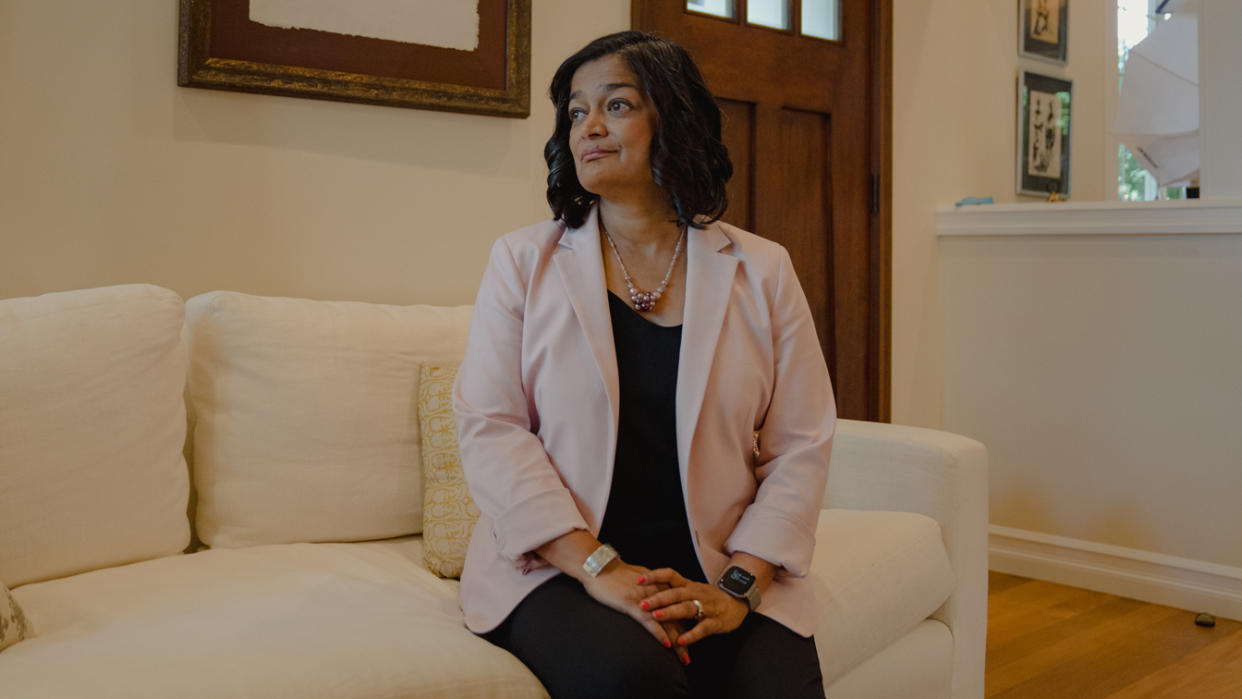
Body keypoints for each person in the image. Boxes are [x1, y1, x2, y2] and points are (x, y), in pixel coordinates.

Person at [453, 30, 836, 699]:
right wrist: (598, 564)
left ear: (673, 117)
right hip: (561, 566)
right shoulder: (522, 261)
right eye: (576, 112)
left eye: (617, 105)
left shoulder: (762, 268)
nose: (589, 127)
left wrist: (738, 586)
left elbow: (801, 443)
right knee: (640, 678)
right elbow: (490, 425)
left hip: (714, 561)